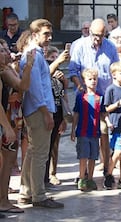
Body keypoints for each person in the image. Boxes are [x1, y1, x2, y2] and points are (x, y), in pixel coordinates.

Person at [18, 18, 64, 208]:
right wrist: (46, 113)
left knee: (33, 151)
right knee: (40, 154)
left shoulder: (35, 54)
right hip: (38, 110)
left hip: (37, 109)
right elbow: (36, 89)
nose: (49, 37)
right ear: (35, 34)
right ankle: (38, 195)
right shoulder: (33, 55)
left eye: (50, 34)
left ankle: (27, 191)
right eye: (46, 34)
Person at [69, 18, 119, 179]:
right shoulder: (80, 46)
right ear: (90, 31)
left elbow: (115, 69)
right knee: (85, 136)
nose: (98, 39)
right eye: (95, 35)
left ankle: (106, 166)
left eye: (101, 35)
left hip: (103, 99)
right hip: (85, 100)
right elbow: (73, 71)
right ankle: (83, 172)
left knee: (103, 131)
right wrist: (81, 87)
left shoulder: (110, 46)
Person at [0, 38, 32, 214]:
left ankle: (3, 200)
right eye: (2, 50)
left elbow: (22, 86)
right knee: (6, 161)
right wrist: (7, 127)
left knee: (8, 160)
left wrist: (25, 67)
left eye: (6, 49)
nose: (7, 53)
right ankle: (3, 201)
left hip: (9, 121)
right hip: (6, 122)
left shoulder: (5, 70)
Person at [71, 69, 106, 191]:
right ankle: (82, 178)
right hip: (83, 131)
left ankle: (90, 178)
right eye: (90, 79)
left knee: (93, 156)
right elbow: (76, 113)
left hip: (95, 132)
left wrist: (108, 123)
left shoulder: (100, 97)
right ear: (84, 81)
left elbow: (103, 113)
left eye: (95, 79)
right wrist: (72, 130)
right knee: (83, 156)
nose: (93, 81)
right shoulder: (81, 97)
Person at [102, 62, 121, 190]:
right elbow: (106, 108)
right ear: (114, 75)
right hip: (117, 124)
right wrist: (119, 103)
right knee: (118, 151)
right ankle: (108, 174)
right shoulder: (111, 89)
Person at [44, 46, 70, 188]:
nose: (54, 60)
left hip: (59, 112)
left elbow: (63, 96)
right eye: (51, 58)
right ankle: (43, 177)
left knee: (54, 145)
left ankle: (52, 174)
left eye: (56, 57)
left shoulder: (59, 75)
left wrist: (65, 83)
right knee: (44, 147)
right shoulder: (47, 72)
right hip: (48, 112)